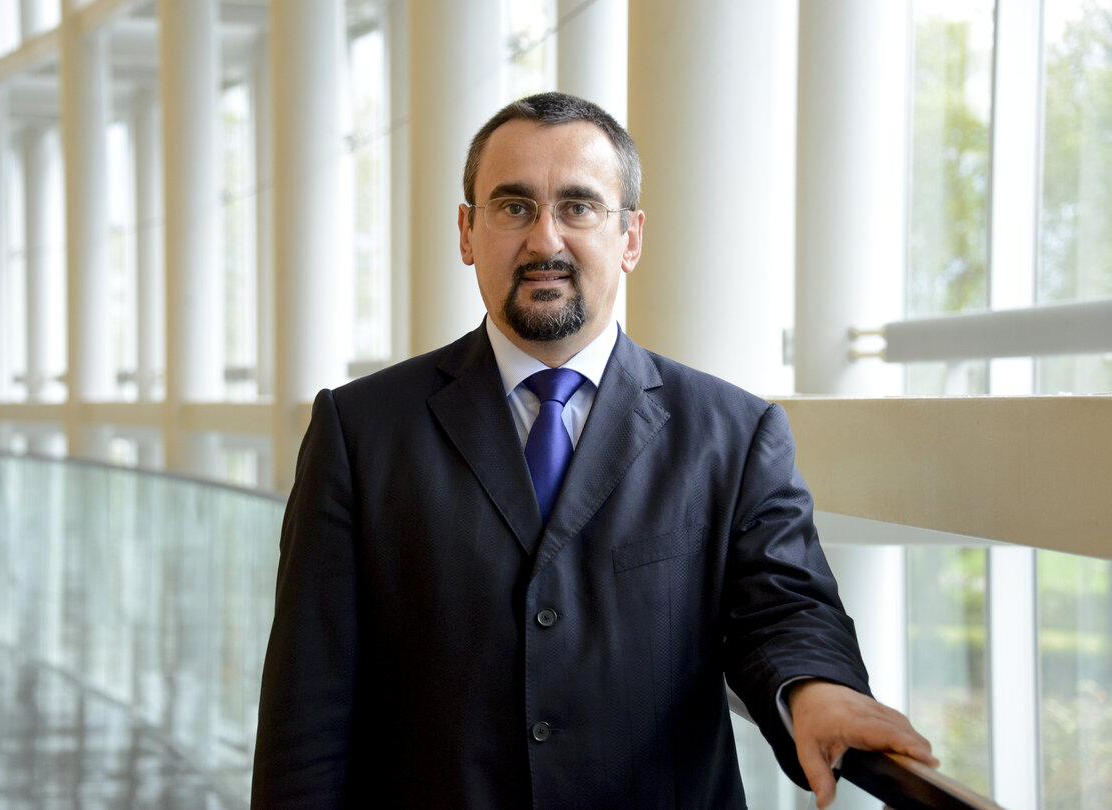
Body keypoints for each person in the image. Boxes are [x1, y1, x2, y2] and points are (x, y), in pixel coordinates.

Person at [252, 91, 936, 809]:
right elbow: (310, 701)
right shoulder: (360, 430)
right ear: (466, 231)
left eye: (578, 207)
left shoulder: (732, 434)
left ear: (630, 237)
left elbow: (783, 607)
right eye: (513, 207)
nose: (544, 240)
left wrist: (816, 690)